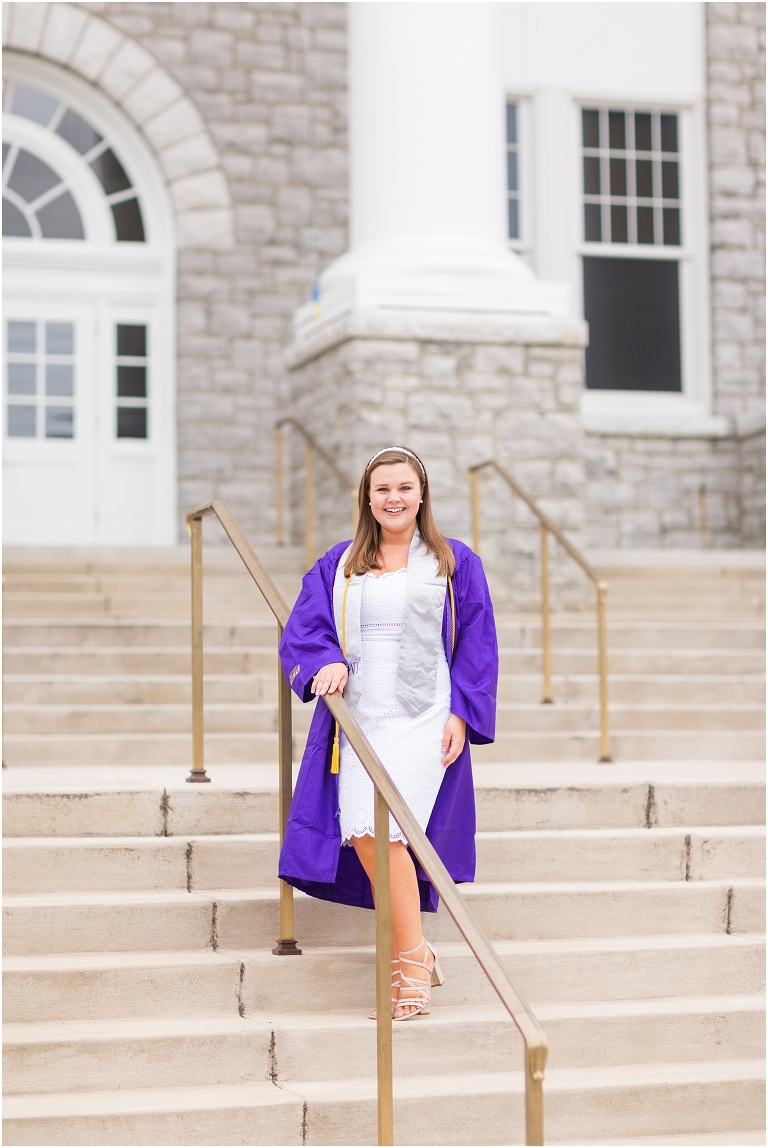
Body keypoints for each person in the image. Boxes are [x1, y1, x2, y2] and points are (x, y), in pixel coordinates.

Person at [278, 446, 498, 1020]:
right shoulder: (340, 563)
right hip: (360, 720)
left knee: (394, 833)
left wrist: (462, 714)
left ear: (421, 494)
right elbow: (306, 628)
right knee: (366, 833)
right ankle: (418, 952)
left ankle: (408, 971)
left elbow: (477, 641)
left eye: (404, 487)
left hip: (425, 714)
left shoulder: (454, 563)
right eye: (382, 489)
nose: (393, 498)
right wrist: (325, 661)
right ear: (367, 498)